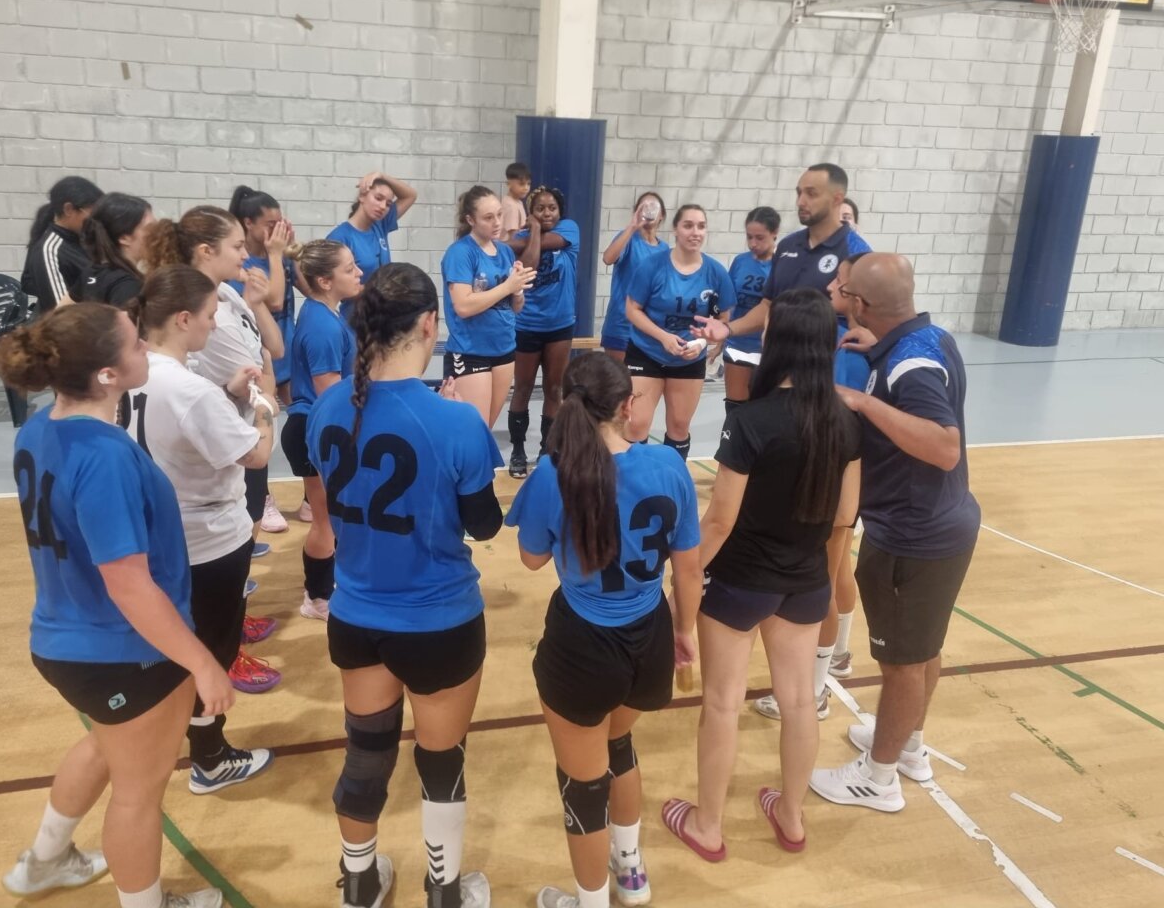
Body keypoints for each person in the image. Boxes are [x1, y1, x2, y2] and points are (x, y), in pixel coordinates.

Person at [0, 302, 232, 908]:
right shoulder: (106, 457)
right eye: (133, 345)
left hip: (63, 639)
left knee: (106, 744)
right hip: (124, 652)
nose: (144, 352)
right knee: (138, 794)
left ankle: (43, 862)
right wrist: (202, 662)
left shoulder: (38, 429)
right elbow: (129, 585)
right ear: (107, 374)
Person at [307, 263, 502, 908]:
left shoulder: (328, 407)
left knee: (366, 756)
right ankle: (443, 892)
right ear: (428, 323)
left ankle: (359, 882)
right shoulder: (456, 423)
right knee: (440, 763)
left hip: (356, 614)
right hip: (439, 619)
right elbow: (484, 526)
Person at [661, 288, 861, 862]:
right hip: (805, 581)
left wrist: (685, 580)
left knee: (723, 702)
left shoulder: (751, 420)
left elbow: (719, 521)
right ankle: (792, 818)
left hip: (740, 582)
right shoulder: (846, 422)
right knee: (800, 701)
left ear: (778, 341)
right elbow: (845, 517)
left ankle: (708, 826)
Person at [505, 352, 702, 908]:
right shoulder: (668, 465)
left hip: (582, 646)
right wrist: (685, 630)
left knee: (583, 784)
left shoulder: (553, 473)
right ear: (627, 406)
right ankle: (631, 872)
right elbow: (688, 567)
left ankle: (591, 901)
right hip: (652, 636)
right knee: (620, 745)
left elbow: (531, 559)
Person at [810, 252, 979, 812]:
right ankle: (907, 745)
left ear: (860, 303)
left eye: (847, 291)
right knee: (923, 649)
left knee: (903, 661)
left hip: (914, 533)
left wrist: (860, 400)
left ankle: (877, 779)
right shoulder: (930, 338)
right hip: (946, 521)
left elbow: (943, 444)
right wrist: (875, 352)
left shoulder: (912, 366)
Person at [124, 264, 280, 793]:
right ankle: (210, 758)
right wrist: (264, 408)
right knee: (212, 649)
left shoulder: (134, 371)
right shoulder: (190, 390)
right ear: (184, 318)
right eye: (211, 316)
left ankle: (181, 744)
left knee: (179, 645)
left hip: (159, 535)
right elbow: (256, 454)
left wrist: (226, 393)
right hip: (210, 538)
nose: (216, 326)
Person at [143, 205, 284, 692]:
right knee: (210, 612)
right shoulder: (185, 376)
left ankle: (228, 632)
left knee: (221, 587)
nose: (247, 254)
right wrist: (262, 400)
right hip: (209, 484)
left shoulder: (221, 296)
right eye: (238, 245)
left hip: (217, 437)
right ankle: (212, 731)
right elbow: (256, 439)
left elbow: (270, 351)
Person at [749, 258, 871, 723]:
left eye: (841, 280)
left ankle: (817, 685)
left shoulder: (854, 353)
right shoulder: (852, 343)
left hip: (836, 473)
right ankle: (834, 657)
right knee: (835, 575)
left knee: (826, 579)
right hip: (837, 473)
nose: (832, 284)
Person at [693, 164, 870, 347]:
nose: (801, 202)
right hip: (779, 360)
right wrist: (728, 328)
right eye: (799, 193)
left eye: (811, 193)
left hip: (824, 365)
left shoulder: (857, 252)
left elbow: (868, 317)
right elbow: (768, 306)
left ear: (837, 199)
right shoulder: (788, 245)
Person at [282, 239, 362, 621]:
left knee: (331, 519)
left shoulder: (326, 314)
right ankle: (316, 598)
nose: (359, 272)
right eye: (349, 269)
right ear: (325, 281)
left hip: (314, 426)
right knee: (324, 521)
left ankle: (323, 587)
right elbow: (329, 393)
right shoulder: (321, 326)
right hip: (312, 428)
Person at [624, 204, 736, 460]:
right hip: (647, 352)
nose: (695, 232)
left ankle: (672, 481)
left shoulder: (715, 272)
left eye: (701, 226)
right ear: (675, 229)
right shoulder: (653, 266)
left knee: (678, 426)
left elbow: (723, 319)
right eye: (688, 225)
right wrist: (663, 337)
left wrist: (701, 343)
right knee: (636, 423)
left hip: (689, 358)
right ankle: (633, 479)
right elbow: (632, 309)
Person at [228, 185, 297, 533]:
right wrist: (274, 255)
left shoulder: (281, 254)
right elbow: (273, 302)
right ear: (248, 224)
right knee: (259, 426)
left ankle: (310, 494)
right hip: (257, 358)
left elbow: (315, 282)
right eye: (270, 224)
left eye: (280, 222)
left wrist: (291, 253)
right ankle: (261, 498)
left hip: (285, 352)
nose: (277, 230)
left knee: (300, 418)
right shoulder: (243, 264)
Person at [440, 185, 536, 428]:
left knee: (486, 430)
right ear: (470, 219)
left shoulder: (504, 251)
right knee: (471, 429)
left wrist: (517, 291)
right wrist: (506, 287)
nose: (497, 223)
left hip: (503, 348)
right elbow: (463, 306)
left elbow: (514, 307)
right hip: (472, 350)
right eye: (488, 217)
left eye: (500, 215)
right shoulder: (461, 253)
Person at [505, 186, 581, 477]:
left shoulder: (570, 230)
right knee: (522, 388)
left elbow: (520, 248)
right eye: (540, 209)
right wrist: (532, 234)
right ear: (530, 211)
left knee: (554, 388)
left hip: (559, 325)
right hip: (526, 324)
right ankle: (518, 450)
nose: (547, 213)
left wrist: (531, 232)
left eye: (552, 208)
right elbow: (528, 265)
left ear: (560, 211)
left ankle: (548, 449)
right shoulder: (522, 238)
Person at [721, 207, 780, 413]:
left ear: (775, 233)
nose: (753, 243)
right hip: (738, 343)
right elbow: (728, 302)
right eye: (749, 237)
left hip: (768, 348)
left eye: (760, 238)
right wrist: (720, 338)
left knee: (763, 409)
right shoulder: (740, 261)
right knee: (735, 408)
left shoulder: (782, 264)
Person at [600, 193, 666, 364]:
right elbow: (608, 258)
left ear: (662, 215)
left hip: (650, 329)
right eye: (644, 206)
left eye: (653, 207)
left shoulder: (665, 249)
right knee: (617, 384)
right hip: (621, 326)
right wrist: (631, 227)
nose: (649, 210)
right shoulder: (628, 238)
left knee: (642, 388)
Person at [21, 176, 104, 312]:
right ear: (68, 209)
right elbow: (61, 313)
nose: (95, 221)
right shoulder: (49, 250)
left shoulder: (83, 240)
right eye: (92, 214)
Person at [328, 170, 418, 291]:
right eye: (378, 198)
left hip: (383, 307)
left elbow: (410, 195)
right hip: (357, 309)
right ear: (362, 196)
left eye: (388, 204)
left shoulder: (381, 224)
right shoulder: (340, 237)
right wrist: (378, 291)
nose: (382, 207)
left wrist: (381, 175)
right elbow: (333, 286)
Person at [79, 193, 155, 307]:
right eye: (150, 229)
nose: (158, 234)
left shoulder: (94, 270)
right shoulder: (127, 286)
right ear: (124, 238)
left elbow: (60, 311)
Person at [500, 161, 531, 241]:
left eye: (528, 184)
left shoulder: (516, 202)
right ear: (508, 184)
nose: (526, 188)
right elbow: (513, 236)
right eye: (521, 184)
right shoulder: (511, 206)